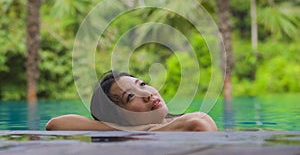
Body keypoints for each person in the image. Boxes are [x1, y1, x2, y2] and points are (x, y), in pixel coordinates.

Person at [46, 71, 217, 131]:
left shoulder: (174, 123)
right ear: (120, 118)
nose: (147, 94)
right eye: (130, 96)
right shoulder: (143, 134)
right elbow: (55, 124)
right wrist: (130, 129)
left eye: (142, 84)